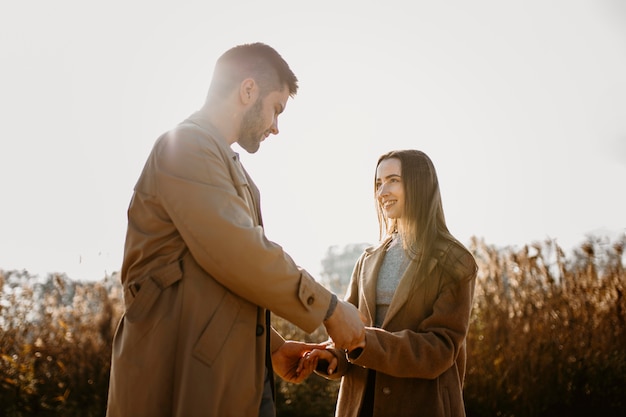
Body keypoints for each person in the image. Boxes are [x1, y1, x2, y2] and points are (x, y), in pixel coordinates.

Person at [106, 42, 364, 417]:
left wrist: (271, 348)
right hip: (181, 383)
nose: (276, 127)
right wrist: (329, 308)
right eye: (276, 109)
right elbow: (237, 252)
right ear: (248, 91)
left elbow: (216, 280)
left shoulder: (227, 166)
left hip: (231, 381)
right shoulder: (186, 147)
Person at [310, 150, 478, 417]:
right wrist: (332, 357)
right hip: (360, 407)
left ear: (419, 185)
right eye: (378, 183)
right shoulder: (368, 259)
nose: (381, 192)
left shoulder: (455, 261)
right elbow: (350, 332)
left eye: (392, 180)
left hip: (422, 407)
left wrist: (366, 343)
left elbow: (440, 349)